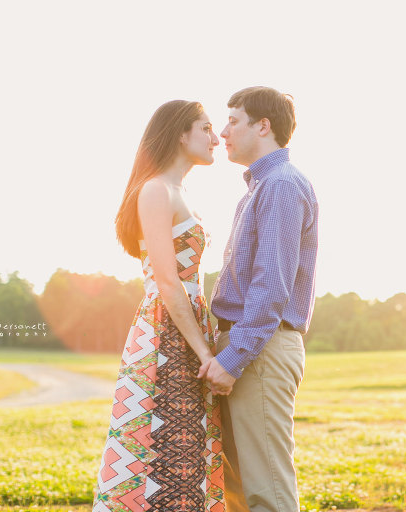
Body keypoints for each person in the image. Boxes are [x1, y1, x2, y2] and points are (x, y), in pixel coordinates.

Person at [93, 100, 225, 512]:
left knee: (188, 448)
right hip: (165, 333)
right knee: (159, 445)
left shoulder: (179, 192)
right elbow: (167, 281)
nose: (216, 138)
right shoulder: (155, 190)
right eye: (206, 128)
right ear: (181, 134)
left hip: (186, 326)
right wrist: (204, 352)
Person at [199, 86, 319, 511]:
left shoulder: (281, 186)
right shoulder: (260, 187)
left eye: (233, 121)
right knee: (239, 493)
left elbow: (270, 288)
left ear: (263, 126)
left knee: (267, 492)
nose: (222, 132)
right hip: (247, 346)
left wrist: (233, 358)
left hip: (260, 350)